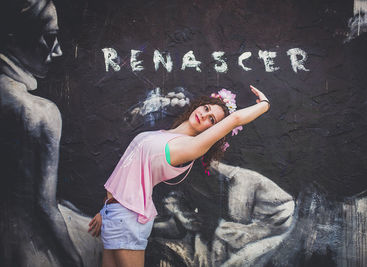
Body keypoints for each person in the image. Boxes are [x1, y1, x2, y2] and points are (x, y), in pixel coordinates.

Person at [88, 85, 271, 267]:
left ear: (212, 130)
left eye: (212, 119)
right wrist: (107, 208)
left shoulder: (190, 147)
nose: (204, 115)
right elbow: (126, 172)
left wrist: (264, 104)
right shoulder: (164, 134)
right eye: (206, 108)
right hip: (115, 212)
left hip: (129, 217)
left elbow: (236, 118)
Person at [0, 1, 83, 266]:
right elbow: (44, 209)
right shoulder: (40, 113)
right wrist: (75, 262)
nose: (57, 52)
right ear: (14, 37)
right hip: (26, 249)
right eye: (49, 38)